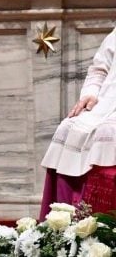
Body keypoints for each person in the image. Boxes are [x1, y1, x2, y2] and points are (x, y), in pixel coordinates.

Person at [39, 26, 116, 215]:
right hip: (107, 102)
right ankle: (65, 224)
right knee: (68, 127)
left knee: (107, 132)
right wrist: (90, 93)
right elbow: (99, 70)